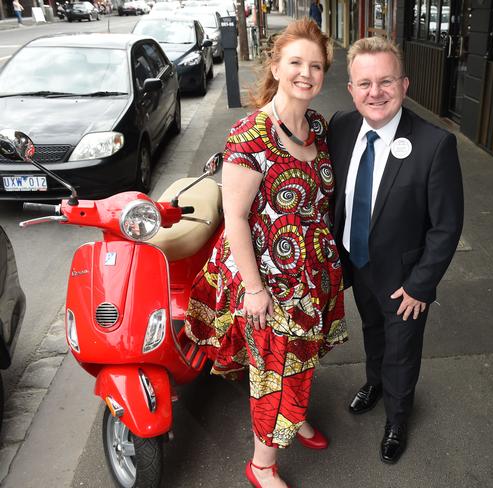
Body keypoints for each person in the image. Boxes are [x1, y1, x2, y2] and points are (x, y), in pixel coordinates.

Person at [185, 19, 345, 488]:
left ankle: (292, 421)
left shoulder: (316, 125)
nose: (306, 73)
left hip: (312, 271)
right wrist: (254, 290)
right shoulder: (250, 135)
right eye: (295, 62)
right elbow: (235, 217)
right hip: (270, 279)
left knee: (303, 355)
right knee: (273, 369)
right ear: (275, 66)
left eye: (316, 66)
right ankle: (262, 465)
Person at [328, 36, 464, 464]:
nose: (375, 92)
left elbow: (446, 226)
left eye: (386, 81)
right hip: (359, 263)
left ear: (404, 84)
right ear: (350, 89)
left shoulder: (434, 145)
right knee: (372, 332)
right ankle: (375, 382)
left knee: (402, 350)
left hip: (406, 280)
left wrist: (421, 287)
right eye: (364, 83)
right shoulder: (342, 126)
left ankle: (397, 419)